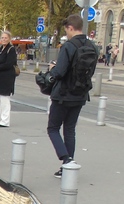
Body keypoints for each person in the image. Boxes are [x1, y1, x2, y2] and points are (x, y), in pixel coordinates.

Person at [47, 14, 98, 178]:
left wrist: (51, 70)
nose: (66, 34)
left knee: (53, 128)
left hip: (63, 94)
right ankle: (67, 167)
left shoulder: (68, 46)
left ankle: (66, 160)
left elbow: (60, 72)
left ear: (70, 28)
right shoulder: (92, 46)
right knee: (69, 130)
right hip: (80, 94)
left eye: (66, 30)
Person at [0, 31, 17, 128]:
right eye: (2, 38)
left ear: (9, 39)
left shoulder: (11, 50)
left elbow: (9, 63)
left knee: (4, 100)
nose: (3, 39)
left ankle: (5, 121)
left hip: (6, 78)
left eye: (5, 38)